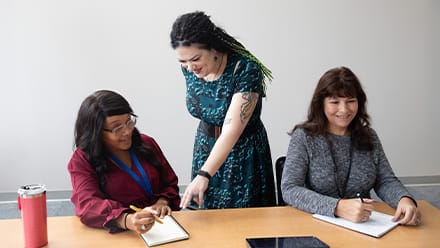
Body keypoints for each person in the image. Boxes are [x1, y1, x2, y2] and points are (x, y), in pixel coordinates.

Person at [281, 66, 421, 225]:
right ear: (321, 104)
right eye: (335, 102)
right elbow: (290, 189)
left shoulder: (369, 137)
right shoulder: (304, 137)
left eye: (351, 101)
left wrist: (404, 199)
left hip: (363, 225)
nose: (344, 109)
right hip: (315, 224)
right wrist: (337, 207)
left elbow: (385, 180)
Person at [170, 11, 276, 209]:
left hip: (243, 154)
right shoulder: (189, 68)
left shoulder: (245, 69)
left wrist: (204, 174)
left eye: (195, 59)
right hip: (205, 148)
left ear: (213, 47)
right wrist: (203, 171)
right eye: (182, 62)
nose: (190, 68)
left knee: (242, 223)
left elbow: (231, 129)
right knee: (205, 220)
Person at [67, 90, 181, 234]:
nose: (127, 132)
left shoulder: (147, 143)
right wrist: (125, 220)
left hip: (162, 227)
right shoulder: (82, 159)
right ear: (96, 132)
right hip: (120, 232)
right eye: (116, 128)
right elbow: (87, 204)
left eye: (129, 121)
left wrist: (162, 203)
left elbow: (169, 182)